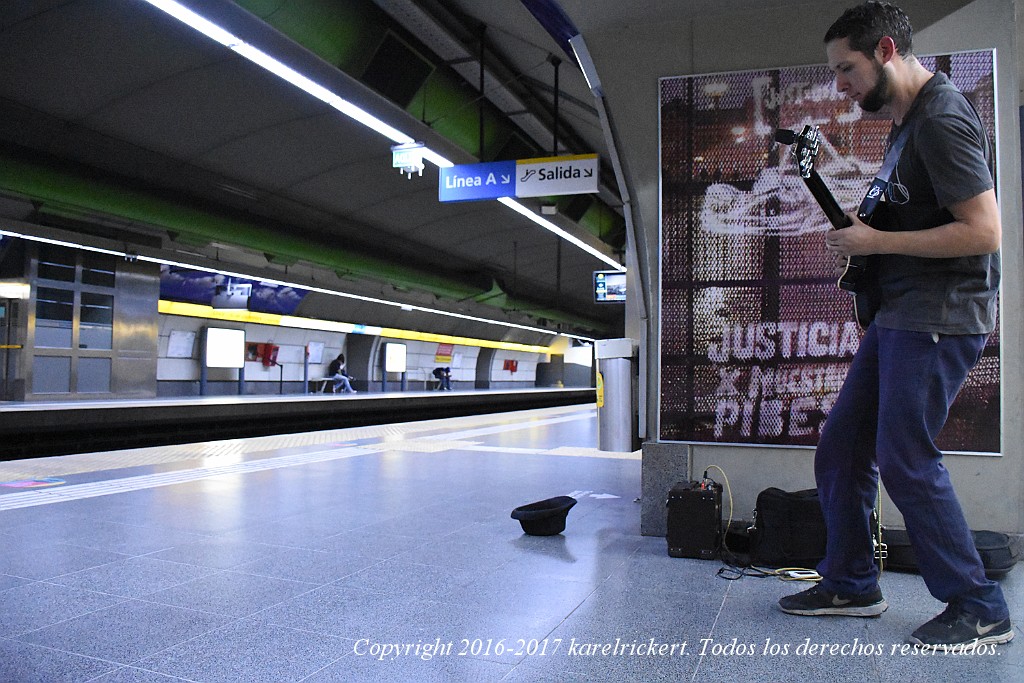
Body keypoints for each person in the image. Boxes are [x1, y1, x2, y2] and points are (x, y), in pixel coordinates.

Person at [778, 1, 1011, 650]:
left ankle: (980, 604)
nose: (840, 86)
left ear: (885, 50)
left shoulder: (940, 119)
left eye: (846, 69)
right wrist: (867, 237)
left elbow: (984, 231)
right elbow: (907, 224)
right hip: (903, 312)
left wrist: (874, 246)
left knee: (906, 457)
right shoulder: (905, 126)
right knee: (844, 445)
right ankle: (852, 581)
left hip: (940, 314)